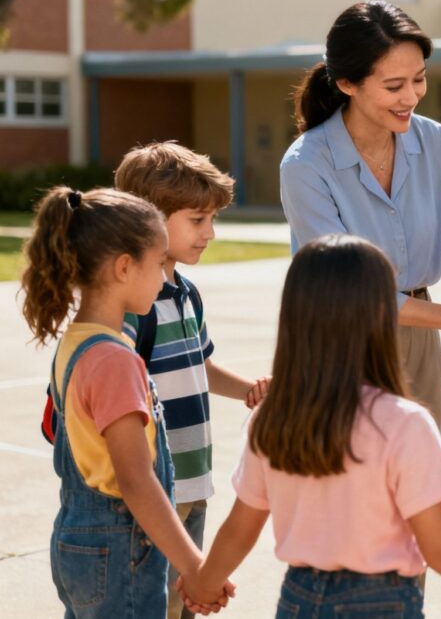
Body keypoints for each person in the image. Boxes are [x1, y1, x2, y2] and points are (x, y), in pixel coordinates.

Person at [176, 234, 441, 618]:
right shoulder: (404, 423)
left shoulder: (273, 417)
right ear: (382, 317)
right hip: (384, 602)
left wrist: (203, 583)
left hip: (300, 598)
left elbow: (240, 528)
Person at [280, 1, 441, 428]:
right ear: (347, 83)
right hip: (341, 341)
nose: (411, 97)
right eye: (394, 85)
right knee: (354, 484)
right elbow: (346, 289)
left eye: (419, 80)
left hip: (419, 331)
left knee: (418, 482)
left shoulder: (433, 140)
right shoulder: (305, 165)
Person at [20, 187, 231, 617]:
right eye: (157, 264)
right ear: (123, 268)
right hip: (120, 551)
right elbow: (136, 481)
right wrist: (194, 567)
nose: (162, 277)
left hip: (78, 541)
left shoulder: (76, 343)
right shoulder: (116, 360)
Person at [114, 141, 269, 619]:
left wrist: (248, 390)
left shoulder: (185, 291)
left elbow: (198, 364)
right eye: (197, 220)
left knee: (181, 607)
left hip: (194, 483)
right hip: (153, 496)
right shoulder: (132, 303)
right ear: (150, 219)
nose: (210, 233)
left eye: (212, 220)